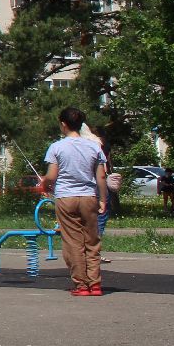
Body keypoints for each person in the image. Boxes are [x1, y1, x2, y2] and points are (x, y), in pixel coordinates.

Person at [42, 106, 108, 297]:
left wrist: (45, 183)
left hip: (66, 197)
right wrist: (103, 199)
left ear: (63, 124)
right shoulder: (94, 146)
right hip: (88, 196)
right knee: (92, 241)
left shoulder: (57, 147)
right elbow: (101, 177)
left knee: (73, 242)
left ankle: (81, 285)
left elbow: (52, 176)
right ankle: (95, 284)